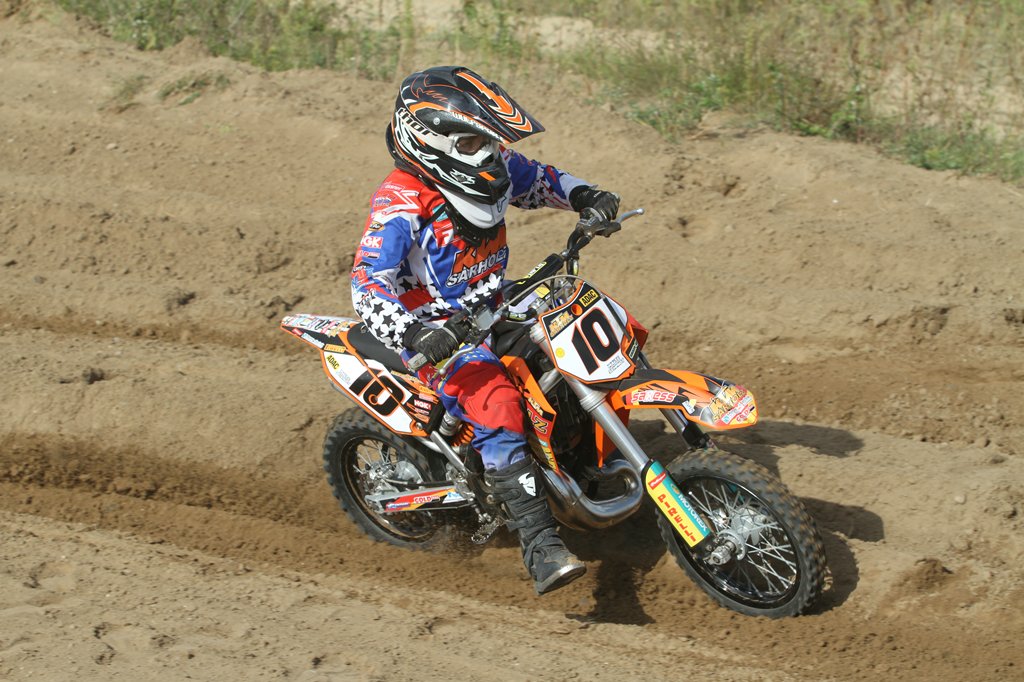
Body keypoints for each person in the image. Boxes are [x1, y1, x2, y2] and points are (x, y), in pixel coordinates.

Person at [350, 66, 620, 595]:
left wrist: (586, 196)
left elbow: (539, 179)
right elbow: (366, 283)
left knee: (591, 321)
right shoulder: (402, 201)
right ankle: (540, 545)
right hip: (436, 330)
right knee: (497, 403)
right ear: (432, 142)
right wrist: (415, 334)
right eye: (474, 142)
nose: (490, 153)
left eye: (490, 140)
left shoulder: (488, 166)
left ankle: (587, 455)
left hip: (493, 301)